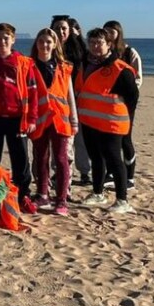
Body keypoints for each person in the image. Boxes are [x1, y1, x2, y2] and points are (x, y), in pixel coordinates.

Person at [0, 23, 40, 214]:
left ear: (13, 39)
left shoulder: (24, 62)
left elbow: (33, 92)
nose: (2, 41)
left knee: (20, 159)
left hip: (16, 118)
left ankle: (23, 195)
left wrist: (32, 119)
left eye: (6, 38)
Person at [78, 28, 140, 214]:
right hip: (89, 121)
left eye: (100, 43)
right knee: (96, 159)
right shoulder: (84, 64)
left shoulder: (120, 69)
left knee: (114, 161)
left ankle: (122, 200)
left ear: (109, 45)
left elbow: (132, 97)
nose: (96, 46)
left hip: (112, 123)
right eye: (92, 42)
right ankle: (98, 192)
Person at [29, 28, 78, 216]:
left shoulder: (64, 67)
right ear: (37, 44)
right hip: (39, 119)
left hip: (60, 120)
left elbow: (69, 94)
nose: (45, 45)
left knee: (61, 159)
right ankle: (43, 194)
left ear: (55, 44)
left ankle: (61, 199)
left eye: (49, 41)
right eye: (41, 41)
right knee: (40, 158)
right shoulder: (29, 65)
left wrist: (74, 120)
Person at [103, 20, 142, 190]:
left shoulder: (129, 52)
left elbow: (137, 78)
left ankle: (130, 176)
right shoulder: (104, 52)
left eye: (112, 32)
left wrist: (126, 94)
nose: (110, 35)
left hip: (125, 103)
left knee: (125, 138)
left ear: (118, 33)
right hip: (106, 103)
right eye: (106, 32)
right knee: (109, 139)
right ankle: (111, 173)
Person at [52, 15, 90, 185]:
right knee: (58, 138)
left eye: (64, 28)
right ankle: (58, 171)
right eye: (58, 28)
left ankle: (84, 172)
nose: (61, 32)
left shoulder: (80, 51)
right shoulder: (48, 48)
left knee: (80, 138)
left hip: (78, 99)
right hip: (56, 101)